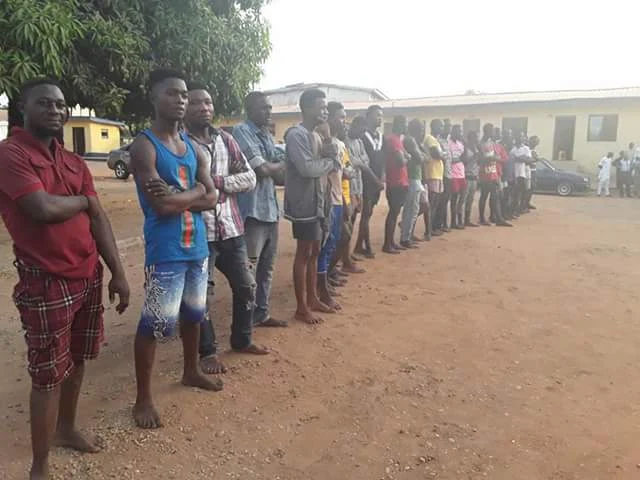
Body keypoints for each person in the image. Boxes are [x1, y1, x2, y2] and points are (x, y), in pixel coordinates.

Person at [0, 78, 130, 479]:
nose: (55, 111)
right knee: (46, 373)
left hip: (88, 274)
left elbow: (99, 219)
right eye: (44, 103)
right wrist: (83, 202)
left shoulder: (72, 161)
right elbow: (40, 208)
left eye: (60, 105)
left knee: (76, 360)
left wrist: (118, 273)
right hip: (47, 281)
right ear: (23, 108)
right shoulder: (10, 154)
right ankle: (40, 466)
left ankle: (67, 428)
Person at [129, 69, 221, 430]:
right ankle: (143, 398)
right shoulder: (144, 146)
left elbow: (212, 197)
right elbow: (162, 207)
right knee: (154, 323)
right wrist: (198, 192)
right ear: (154, 98)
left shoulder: (194, 148)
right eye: (172, 93)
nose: (181, 100)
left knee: (194, 315)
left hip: (196, 247)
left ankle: (190, 371)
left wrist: (192, 194)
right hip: (165, 249)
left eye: (184, 94)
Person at [184, 85, 269, 378]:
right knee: (200, 296)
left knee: (246, 286)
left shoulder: (227, 140)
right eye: (195, 102)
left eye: (207, 101)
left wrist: (214, 183)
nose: (203, 107)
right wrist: (206, 189)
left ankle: (242, 339)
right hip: (199, 233)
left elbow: (250, 178)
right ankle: (207, 352)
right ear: (184, 107)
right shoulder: (180, 145)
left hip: (232, 228)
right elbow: (184, 191)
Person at [233, 92, 289, 333]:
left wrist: (274, 168)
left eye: (269, 107)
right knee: (250, 271)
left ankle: (262, 313)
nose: (269, 112)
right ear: (250, 109)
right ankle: (245, 323)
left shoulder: (265, 134)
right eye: (263, 108)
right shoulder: (241, 131)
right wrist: (275, 167)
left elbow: (281, 173)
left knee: (267, 267)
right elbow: (263, 169)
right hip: (253, 211)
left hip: (270, 209)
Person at [284, 88, 338, 324]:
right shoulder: (296, 135)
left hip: (319, 202)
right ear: (306, 108)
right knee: (304, 252)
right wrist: (330, 162)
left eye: (326, 108)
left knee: (315, 250)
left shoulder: (316, 135)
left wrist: (327, 139)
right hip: (303, 204)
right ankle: (301, 307)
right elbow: (308, 169)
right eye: (321, 107)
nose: (325, 111)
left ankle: (314, 298)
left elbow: (328, 162)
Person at [355, 105, 385, 258]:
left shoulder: (380, 136)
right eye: (377, 115)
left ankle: (359, 245)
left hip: (377, 181)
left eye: (381, 115)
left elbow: (383, 159)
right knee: (366, 213)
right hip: (366, 180)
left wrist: (382, 178)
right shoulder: (362, 135)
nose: (379, 118)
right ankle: (366, 246)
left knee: (369, 213)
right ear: (368, 116)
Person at [382, 115, 410, 254]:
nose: (406, 126)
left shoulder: (398, 140)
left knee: (395, 213)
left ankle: (391, 242)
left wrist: (406, 157)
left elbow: (405, 157)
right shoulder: (393, 139)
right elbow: (401, 161)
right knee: (393, 213)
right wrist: (407, 157)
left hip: (401, 181)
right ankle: (387, 244)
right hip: (395, 181)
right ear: (399, 124)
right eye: (405, 123)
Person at [400, 118, 427, 247]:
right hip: (412, 177)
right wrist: (422, 155)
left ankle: (407, 235)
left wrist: (422, 154)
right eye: (421, 128)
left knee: (414, 208)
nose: (422, 131)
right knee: (411, 209)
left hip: (415, 177)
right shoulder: (410, 140)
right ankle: (405, 238)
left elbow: (424, 156)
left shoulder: (414, 141)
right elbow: (421, 158)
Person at [478, 123, 512, 227]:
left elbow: (505, 158)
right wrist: (490, 158)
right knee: (484, 196)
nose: (493, 133)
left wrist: (497, 159)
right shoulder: (480, 144)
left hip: (494, 174)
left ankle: (497, 218)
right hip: (484, 173)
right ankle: (483, 218)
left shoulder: (494, 144)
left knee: (495, 196)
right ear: (486, 131)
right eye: (491, 131)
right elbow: (479, 159)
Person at [424, 119, 445, 238]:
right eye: (440, 126)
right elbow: (437, 155)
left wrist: (443, 155)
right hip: (432, 173)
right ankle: (429, 230)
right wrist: (444, 155)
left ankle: (430, 228)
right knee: (431, 203)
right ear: (434, 127)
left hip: (437, 173)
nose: (442, 129)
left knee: (434, 203)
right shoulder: (430, 139)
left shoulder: (435, 140)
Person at [435, 119, 453, 232]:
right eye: (447, 127)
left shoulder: (447, 141)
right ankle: (436, 225)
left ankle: (442, 224)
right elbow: (440, 157)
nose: (449, 129)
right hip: (441, 175)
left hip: (449, 174)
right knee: (439, 201)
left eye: (449, 127)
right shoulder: (438, 141)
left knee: (445, 200)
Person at [448, 124, 466, 229]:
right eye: (459, 131)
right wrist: (461, 159)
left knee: (462, 198)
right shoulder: (448, 143)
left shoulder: (461, 144)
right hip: (453, 174)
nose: (460, 133)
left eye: (461, 131)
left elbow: (464, 157)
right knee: (454, 199)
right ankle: (453, 222)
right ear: (453, 132)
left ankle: (460, 220)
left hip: (462, 174)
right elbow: (450, 160)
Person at [462, 130, 480, 227]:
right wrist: (474, 157)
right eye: (476, 137)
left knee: (470, 199)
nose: (477, 139)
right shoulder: (465, 148)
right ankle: (459, 220)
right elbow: (463, 161)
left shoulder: (476, 148)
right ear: (471, 138)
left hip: (474, 176)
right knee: (463, 199)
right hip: (466, 176)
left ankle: (467, 220)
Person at [512, 132, 532, 214]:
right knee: (513, 194)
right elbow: (511, 159)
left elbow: (529, 160)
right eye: (519, 136)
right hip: (512, 174)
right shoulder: (512, 148)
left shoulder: (526, 148)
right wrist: (522, 158)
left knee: (521, 192)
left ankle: (520, 209)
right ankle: (513, 210)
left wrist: (518, 158)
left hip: (521, 174)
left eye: (522, 136)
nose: (521, 138)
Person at [526, 135, 540, 209]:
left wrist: (536, 159)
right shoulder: (527, 149)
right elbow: (529, 160)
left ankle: (527, 202)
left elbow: (536, 159)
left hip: (534, 170)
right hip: (529, 171)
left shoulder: (534, 150)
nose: (537, 143)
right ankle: (524, 203)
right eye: (536, 141)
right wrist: (536, 159)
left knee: (532, 187)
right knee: (528, 188)